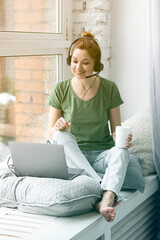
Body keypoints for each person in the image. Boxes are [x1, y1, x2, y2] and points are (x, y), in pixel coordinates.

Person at [47, 31, 132, 222]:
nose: (78, 67)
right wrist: (58, 126)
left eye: (85, 63)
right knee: (59, 137)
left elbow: (115, 129)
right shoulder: (60, 89)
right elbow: (50, 130)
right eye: (75, 61)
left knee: (122, 152)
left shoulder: (109, 88)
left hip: (101, 153)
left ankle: (106, 199)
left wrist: (123, 140)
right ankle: (102, 185)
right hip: (73, 156)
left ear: (96, 65)